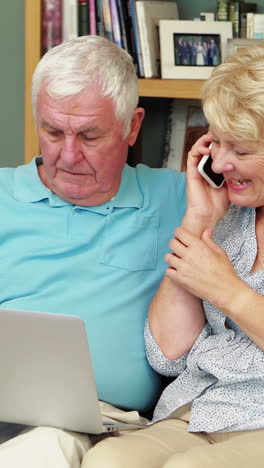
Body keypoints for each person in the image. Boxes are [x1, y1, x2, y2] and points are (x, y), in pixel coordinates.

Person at [0, 35, 186, 467]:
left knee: (41, 451)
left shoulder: (179, 198)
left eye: (89, 135)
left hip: (105, 422)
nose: (66, 155)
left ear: (132, 126)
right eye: (52, 131)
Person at [82, 44, 264, 467]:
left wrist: (227, 290)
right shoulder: (232, 217)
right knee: (107, 461)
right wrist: (199, 220)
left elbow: (225, 294)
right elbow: (169, 352)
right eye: (216, 143)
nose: (219, 161)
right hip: (198, 409)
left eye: (240, 150)